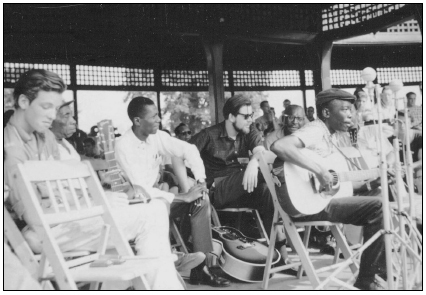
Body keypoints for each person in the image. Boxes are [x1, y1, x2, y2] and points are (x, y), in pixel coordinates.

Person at [4, 69, 184, 290]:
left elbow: (63, 188)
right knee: (152, 214)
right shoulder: (10, 150)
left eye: (55, 107)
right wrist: (98, 202)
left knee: (153, 209)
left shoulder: (44, 136)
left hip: (73, 221)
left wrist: (97, 198)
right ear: (23, 101)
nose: (52, 116)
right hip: (49, 231)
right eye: (46, 106)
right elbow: (33, 216)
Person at [271, 88, 387, 290]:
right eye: (344, 109)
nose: (350, 114)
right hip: (308, 206)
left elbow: (338, 183)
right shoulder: (316, 130)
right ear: (326, 113)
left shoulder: (331, 137)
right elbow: (280, 146)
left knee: (377, 194)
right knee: (378, 206)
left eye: (352, 109)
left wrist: (373, 180)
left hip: (321, 199)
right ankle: (368, 279)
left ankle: (378, 270)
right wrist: (319, 171)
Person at [115, 97, 230, 287]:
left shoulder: (157, 137)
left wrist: (200, 181)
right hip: (141, 206)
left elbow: (189, 149)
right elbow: (141, 190)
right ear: (137, 121)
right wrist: (183, 197)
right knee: (164, 203)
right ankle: (173, 262)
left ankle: (203, 268)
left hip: (161, 199)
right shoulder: (123, 145)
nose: (159, 120)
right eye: (153, 117)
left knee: (201, 201)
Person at [189, 95, 278, 248]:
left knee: (267, 191)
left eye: (252, 115)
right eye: (246, 116)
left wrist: (252, 163)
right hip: (218, 190)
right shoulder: (209, 135)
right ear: (231, 116)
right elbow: (182, 155)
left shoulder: (249, 130)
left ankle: (277, 251)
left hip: (243, 187)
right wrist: (196, 181)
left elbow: (260, 153)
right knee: (271, 171)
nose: (251, 119)